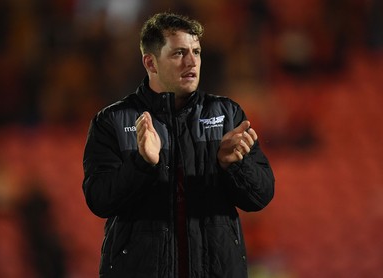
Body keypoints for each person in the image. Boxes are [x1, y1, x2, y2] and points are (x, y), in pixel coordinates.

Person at [82, 12, 274, 278]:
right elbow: (99, 200)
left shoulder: (227, 114)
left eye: (196, 51)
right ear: (150, 63)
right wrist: (143, 163)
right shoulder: (112, 121)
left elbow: (261, 196)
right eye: (178, 53)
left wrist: (233, 166)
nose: (191, 61)